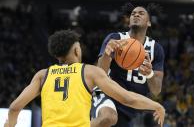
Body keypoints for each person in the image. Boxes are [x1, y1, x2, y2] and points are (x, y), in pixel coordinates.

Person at [4, 30, 165, 127]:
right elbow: (127, 98)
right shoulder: (89, 72)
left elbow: (14, 108)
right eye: (79, 46)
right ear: (76, 50)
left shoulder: (42, 75)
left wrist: (9, 124)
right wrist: (156, 105)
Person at [91, 3, 165, 127]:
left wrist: (150, 74)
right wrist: (107, 55)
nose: (136, 14)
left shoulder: (156, 49)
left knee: (157, 121)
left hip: (133, 103)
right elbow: (100, 74)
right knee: (108, 117)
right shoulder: (115, 38)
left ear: (149, 23)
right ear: (129, 22)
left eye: (141, 13)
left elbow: (156, 91)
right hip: (108, 95)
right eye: (133, 14)